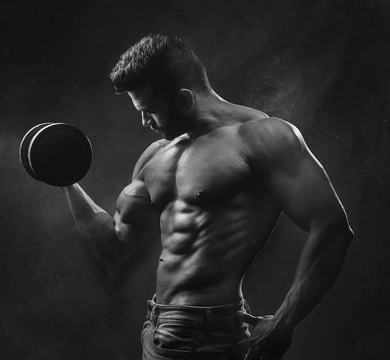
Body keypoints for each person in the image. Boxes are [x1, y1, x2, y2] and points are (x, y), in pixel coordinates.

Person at [61, 34, 354, 360]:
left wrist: (284, 322)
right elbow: (115, 248)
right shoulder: (155, 156)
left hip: (210, 337)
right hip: (155, 331)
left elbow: (332, 228)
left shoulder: (261, 137)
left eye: (151, 110)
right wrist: (66, 181)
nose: (144, 122)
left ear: (185, 99)